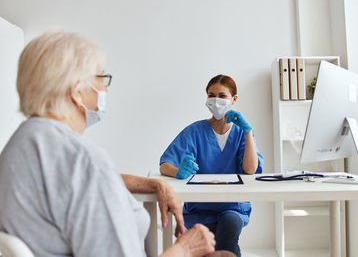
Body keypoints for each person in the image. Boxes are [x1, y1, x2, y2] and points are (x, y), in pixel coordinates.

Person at [0, 31, 234, 257]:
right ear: (76, 92)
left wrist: (154, 184)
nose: (105, 88)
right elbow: (87, 175)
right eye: (101, 78)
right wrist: (185, 248)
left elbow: (73, 182)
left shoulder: (21, 145)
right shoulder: (82, 160)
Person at [159, 74, 264, 256]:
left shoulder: (241, 133)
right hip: (200, 208)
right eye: (211, 95)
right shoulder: (195, 131)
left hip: (232, 207)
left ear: (234, 99)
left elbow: (250, 169)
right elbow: (164, 164)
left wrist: (248, 132)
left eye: (222, 95)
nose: (216, 100)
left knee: (228, 233)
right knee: (211, 247)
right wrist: (178, 172)